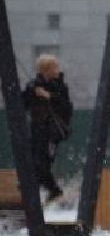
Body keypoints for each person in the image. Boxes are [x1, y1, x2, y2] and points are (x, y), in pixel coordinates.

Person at [23, 54, 72, 203]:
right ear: (46, 70)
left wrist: (48, 95)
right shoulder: (33, 85)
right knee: (34, 161)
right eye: (55, 66)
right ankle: (47, 189)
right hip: (37, 130)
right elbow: (23, 104)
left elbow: (66, 106)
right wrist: (32, 92)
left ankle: (51, 189)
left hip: (52, 132)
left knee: (44, 162)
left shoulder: (60, 86)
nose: (58, 69)